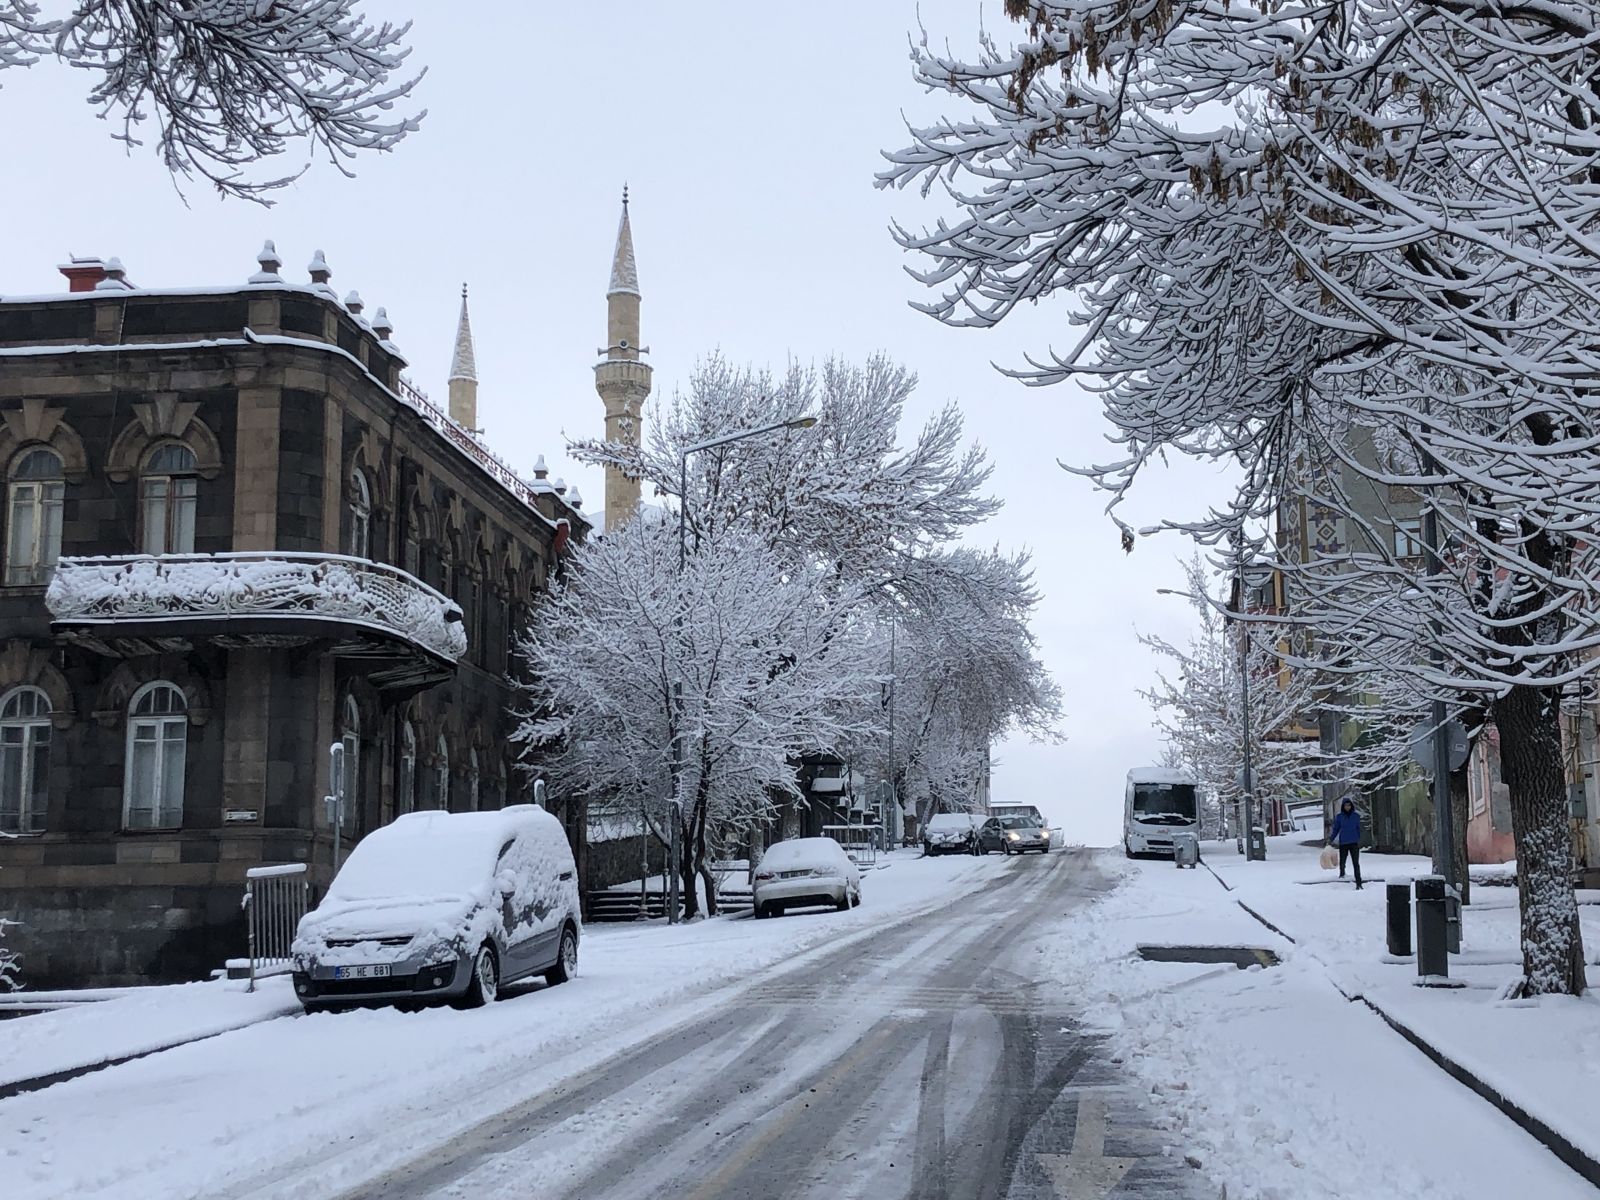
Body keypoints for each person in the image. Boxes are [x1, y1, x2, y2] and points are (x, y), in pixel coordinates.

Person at [1329, 798, 1363, 889]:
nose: (1347, 807)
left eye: (1349, 805)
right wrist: (1331, 839)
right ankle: (1342, 873)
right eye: (1345, 805)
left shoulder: (1356, 816)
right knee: (1343, 860)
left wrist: (1358, 838)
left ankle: (1359, 882)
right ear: (1343, 806)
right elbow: (1336, 829)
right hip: (1343, 842)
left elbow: (1358, 828)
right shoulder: (1339, 817)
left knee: (1356, 863)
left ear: (1351, 806)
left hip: (1353, 842)